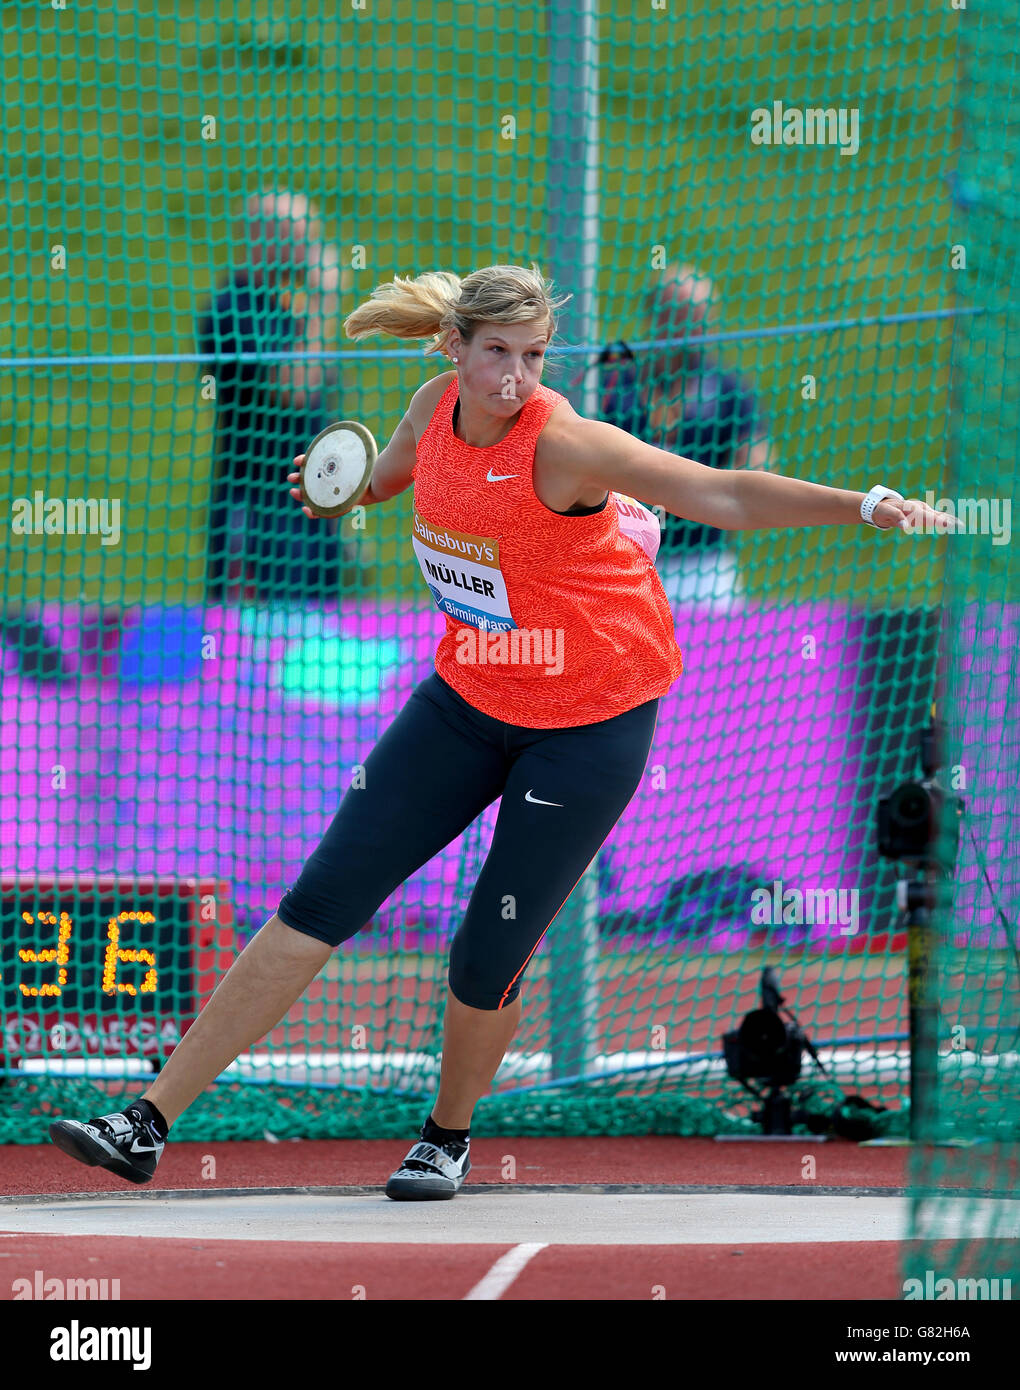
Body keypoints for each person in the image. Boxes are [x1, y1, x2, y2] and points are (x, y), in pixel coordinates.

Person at [49, 263, 948, 1200]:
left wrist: (863, 504)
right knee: (317, 902)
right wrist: (335, 487)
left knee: (487, 946)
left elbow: (719, 494)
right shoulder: (433, 406)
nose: (515, 377)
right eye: (496, 355)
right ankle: (145, 1123)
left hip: (588, 723)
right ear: (454, 349)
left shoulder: (567, 443)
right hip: (467, 700)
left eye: (532, 356)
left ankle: (446, 1137)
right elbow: (383, 480)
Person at [198, 189, 349, 604]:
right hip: (257, 514)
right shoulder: (233, 309)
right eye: (302, 236)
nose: (313, 248)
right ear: (261, 234)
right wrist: (325, 300)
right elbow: (293, 389)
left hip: (311, 510)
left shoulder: (290, 307)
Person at [598, 263, 773, 609]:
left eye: (699, 314)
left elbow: (756, 469)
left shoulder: (730, 391)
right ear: (652, 317)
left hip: (703, 566)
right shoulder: (613, 388)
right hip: (623, 557)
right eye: (677, 313)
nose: (691, 325)